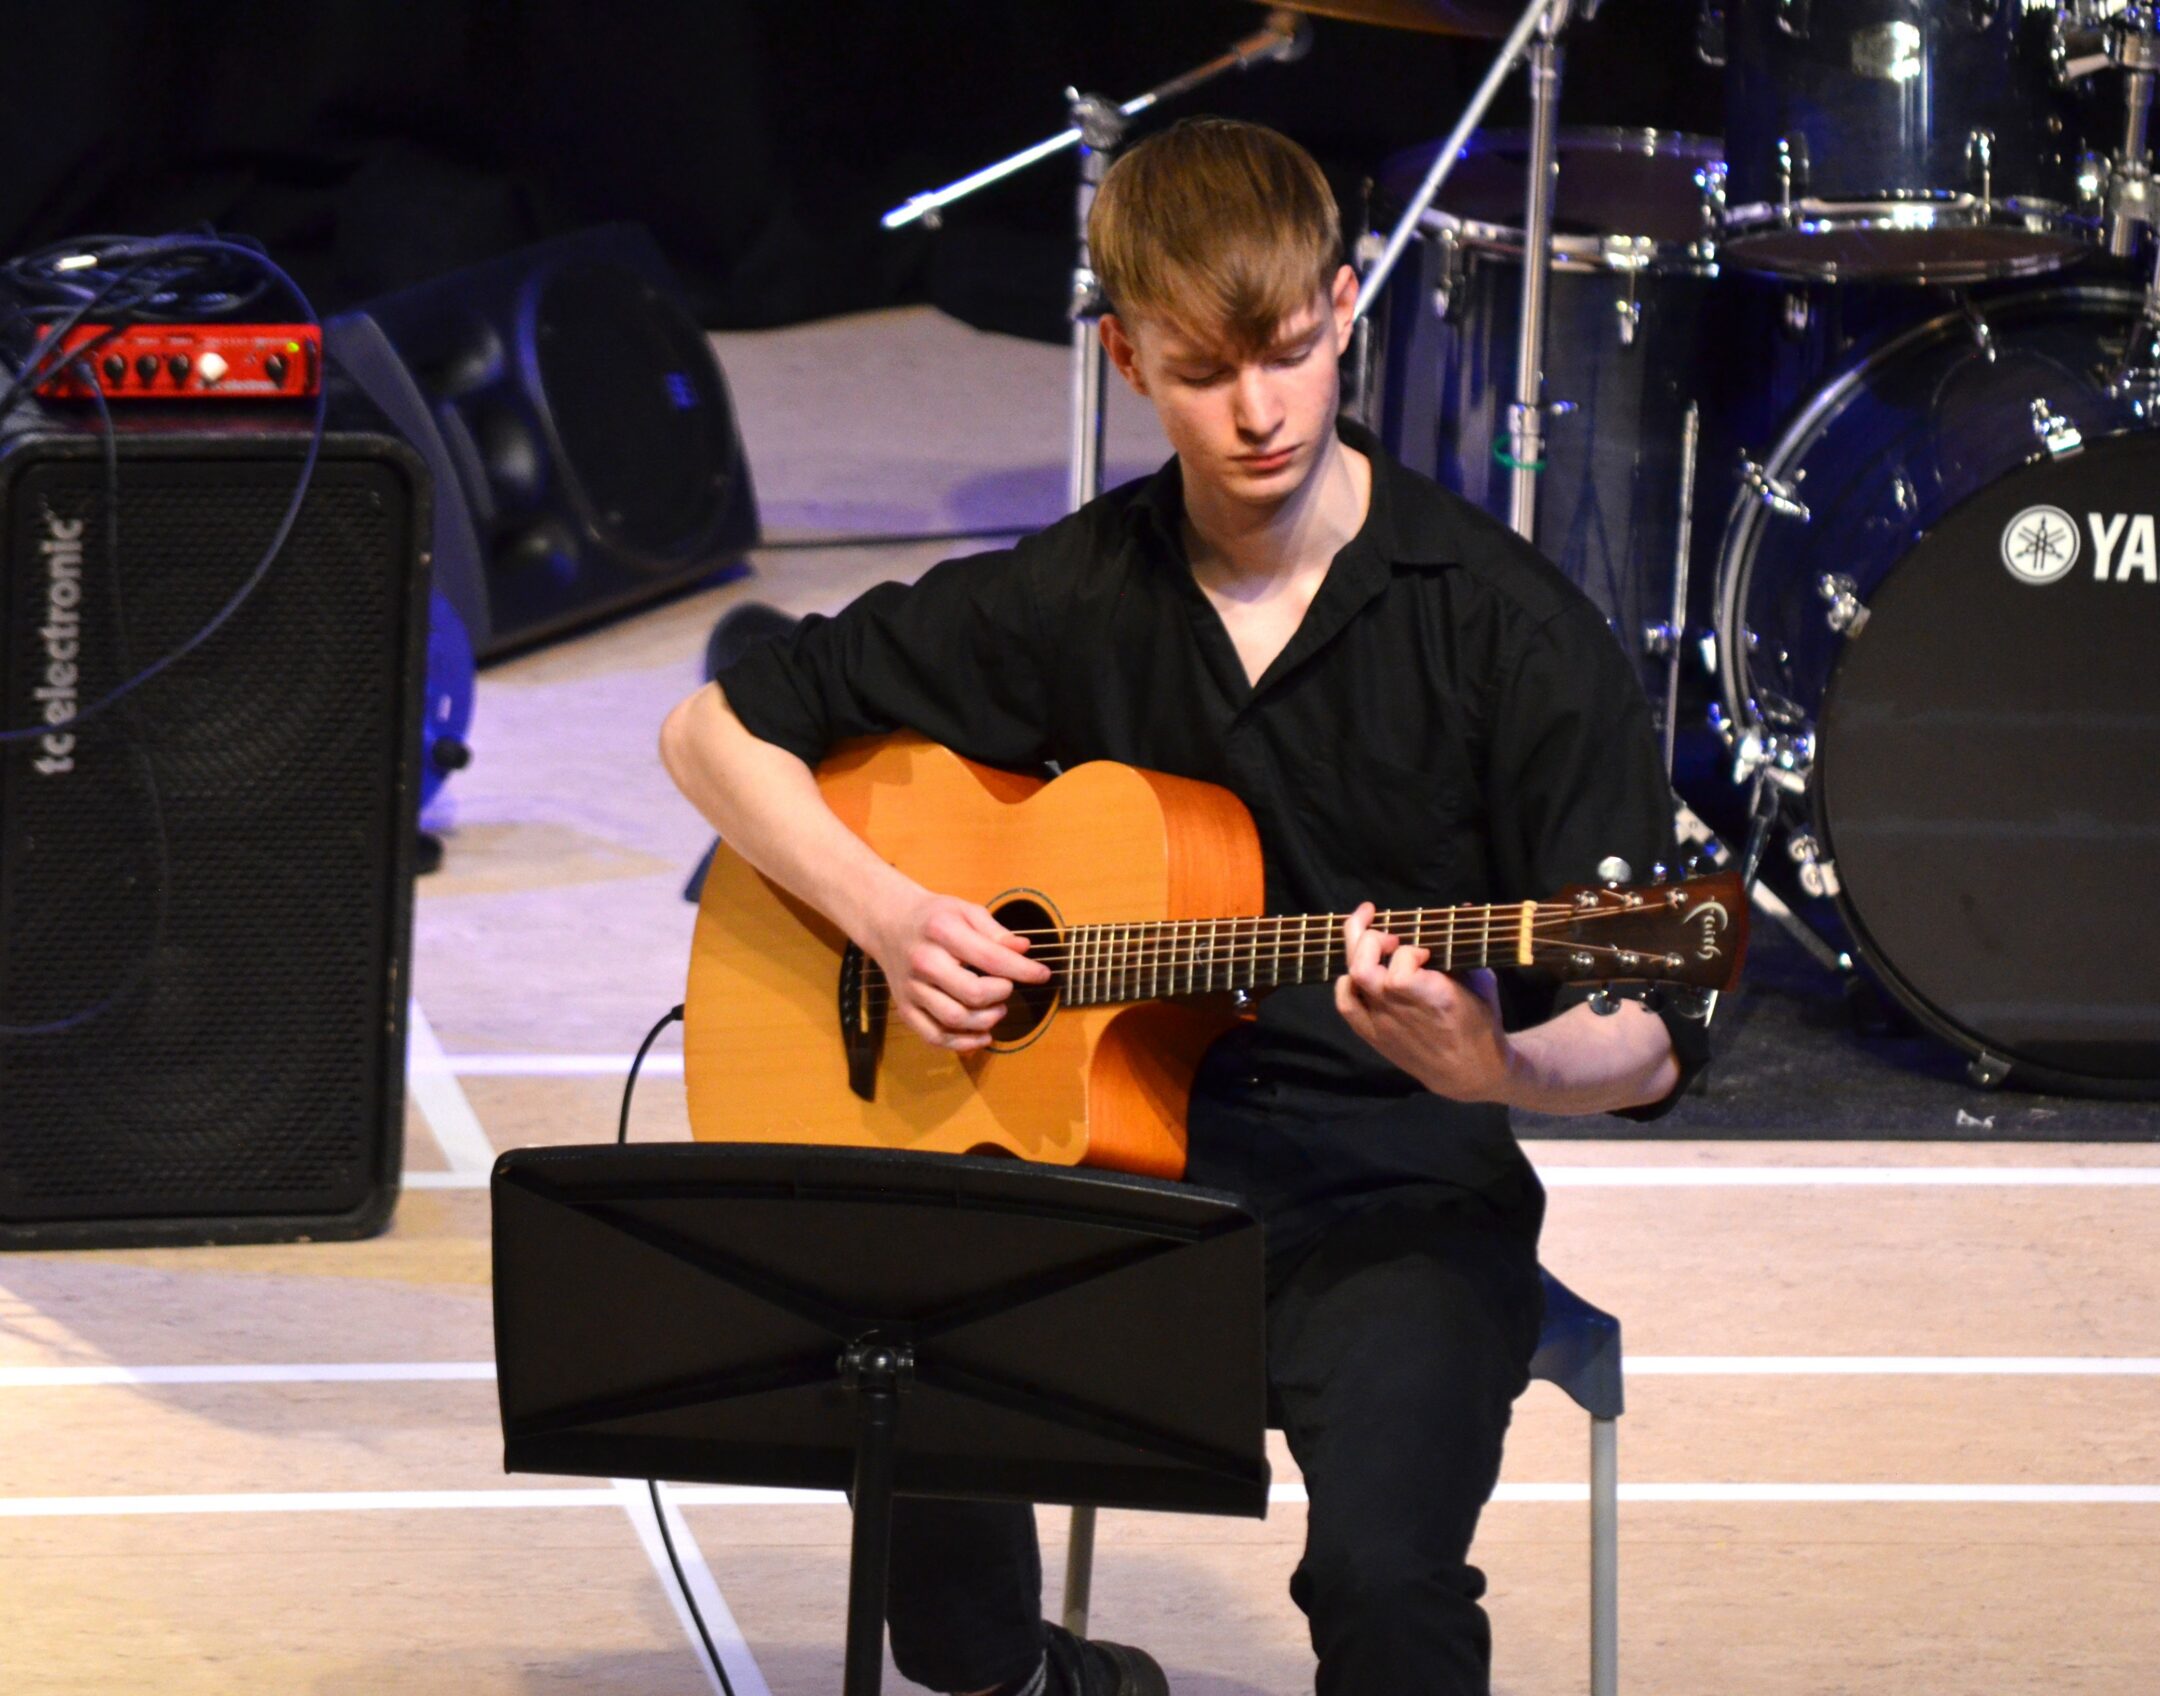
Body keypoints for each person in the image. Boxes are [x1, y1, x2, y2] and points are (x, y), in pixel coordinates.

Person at [659, 117, 1708, 1696]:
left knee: (1386, 1592)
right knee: (897, 1405)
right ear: (1126, 357)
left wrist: (1497, 1064)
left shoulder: (1510, 634)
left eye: (1287, 352)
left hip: (1391, 1208)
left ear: (1345, 311)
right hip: (1104, 1184)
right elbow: (712, 731)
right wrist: (887, 914)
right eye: (1205, 371)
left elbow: (1647, 1030)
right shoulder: (1078, 592)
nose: (1259, 411)